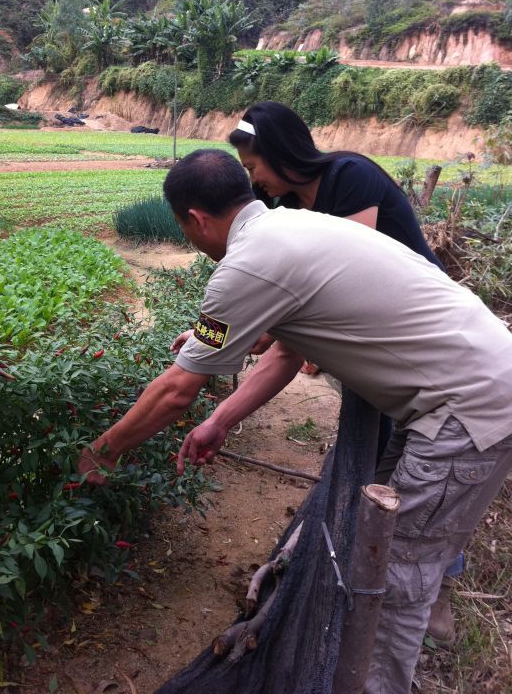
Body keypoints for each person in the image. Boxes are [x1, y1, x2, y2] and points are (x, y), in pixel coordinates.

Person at [79, 149, 512, 694]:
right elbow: (282, 350)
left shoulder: (245, 266)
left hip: (466, 410)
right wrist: (220, 420)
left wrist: (103, 451)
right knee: (381, 554)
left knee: (397, 575)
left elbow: (174, 392)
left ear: (195, 219)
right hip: (469, 383)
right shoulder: (293, 228)